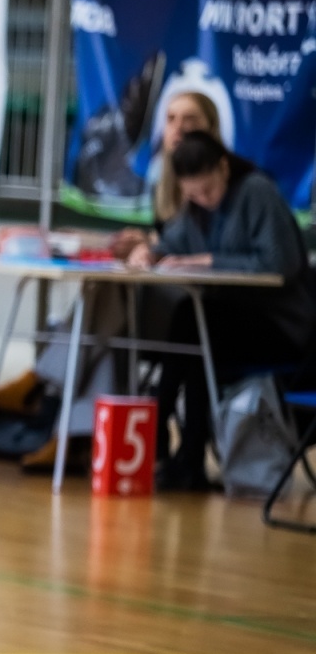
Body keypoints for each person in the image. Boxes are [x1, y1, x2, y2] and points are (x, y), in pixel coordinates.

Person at [127, 130, 315, 491]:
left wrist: (206, 260)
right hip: (231, 326)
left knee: (194, 324)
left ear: (224, 168)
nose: (203, 200)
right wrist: (149, 252)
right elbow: (171, 243)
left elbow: (280, 262)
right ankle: (187, 459)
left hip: (284, 327)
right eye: (193, 194)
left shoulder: (256, 191)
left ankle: (163, 434)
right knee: (198, 335)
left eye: (208, 191)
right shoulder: (198, 208)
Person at [111, 90, 222, 259]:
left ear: (211, 126)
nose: (178, 128)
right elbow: (174, 240)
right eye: (171, 119)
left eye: (190, 120)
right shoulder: (159, 180)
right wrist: (148, 241)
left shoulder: (231, 183)